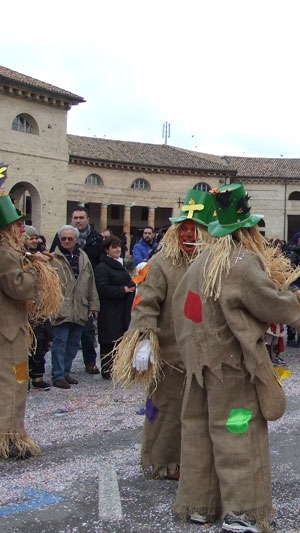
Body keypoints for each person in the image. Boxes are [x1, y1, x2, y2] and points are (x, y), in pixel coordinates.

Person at [172, 183, 300, 529]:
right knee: (239, 434)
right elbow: (272, 303)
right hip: (233, 369)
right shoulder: (242, 262)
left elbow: (184, 311)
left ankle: (199, 505)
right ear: (247, 229)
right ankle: (243, 513)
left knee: (199, 433)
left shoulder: (199, 264)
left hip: (200, 367)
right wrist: (299, 299)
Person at [113, 189, 216, 483]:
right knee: (165, 410)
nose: (188, 234)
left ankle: (195, 461)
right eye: (183, 228)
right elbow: (145, 302)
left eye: (194, 229)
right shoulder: (161, 263)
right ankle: (162, 461)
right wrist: (144, 338)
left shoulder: (214, 262)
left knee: (200, 412)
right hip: (170, 353)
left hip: (204, 353)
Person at [0, 195, 60, 460]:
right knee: (12, 383)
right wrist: (36, 270)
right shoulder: (3, 254)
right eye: (18, 225)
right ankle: (7, 440)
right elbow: (19, 288)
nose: (22, 229)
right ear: (6, 228)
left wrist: (28, 260)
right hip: (5, 335)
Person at [50, 205, 103, 375]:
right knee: (60, 341)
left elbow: (91, 281)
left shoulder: (85, 254)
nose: (66, 241)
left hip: (81, 304)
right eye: (63, 239)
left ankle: (69, 370)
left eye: (70, 239)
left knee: (76, 341)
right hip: (62, 305)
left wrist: (94, 305)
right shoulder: (54, 257)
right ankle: (58, 374)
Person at [93, 235, 135, 380]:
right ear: (107, 250)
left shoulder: (118, 264)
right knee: (108, 341)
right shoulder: (102, 267)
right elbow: (102, 288)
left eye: (118, 247)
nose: (117, 249)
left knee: (118, 340)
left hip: (121, 309)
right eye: (114, 247)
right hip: (109, 310)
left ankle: (118, 368)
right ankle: (107, 369)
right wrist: (123, 290)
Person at [24, 226, 53, 391]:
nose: (34, 241)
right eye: (30, 238)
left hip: (40, 308)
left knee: (41, 342)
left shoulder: (42, 255)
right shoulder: (22, 257)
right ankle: (25, 378)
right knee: (28, 344)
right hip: (27, 308)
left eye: (36, 237)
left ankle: (37, 377)